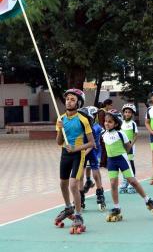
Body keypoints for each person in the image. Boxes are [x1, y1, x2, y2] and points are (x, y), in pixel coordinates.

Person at [102, 109, 153, 222]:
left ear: (116, 123)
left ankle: (148, 200)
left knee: (132, 181)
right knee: (113, 183)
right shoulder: (103, 134)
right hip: (111, 161)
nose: (106, 123)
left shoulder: (121, 133)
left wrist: (123, 155)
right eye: (105, 121)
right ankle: (116, 207)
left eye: (110, 122)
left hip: (122, 159)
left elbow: (128, 147)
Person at [54, 89, 94, 233]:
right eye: (67, 99)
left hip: (78, 155)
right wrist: (60, 129)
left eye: (72, 99)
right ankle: (67, 207)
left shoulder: (83, 120)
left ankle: (78, 214)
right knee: (62, 183)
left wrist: (76, 148)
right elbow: (59, 142)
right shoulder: (61, 119)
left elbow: (91, 143)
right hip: (65, 154)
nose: (69, 101)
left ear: (79, 102)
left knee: (73, 185)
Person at [78, 106, 106, 211]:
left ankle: (100, 194)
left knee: (95, 174)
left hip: (92, 151)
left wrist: (83, 154)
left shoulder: (94, 129)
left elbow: (91, 144)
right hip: (82, 152)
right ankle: (80, 197)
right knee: (79, 175)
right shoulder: (79, 129)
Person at [119, 103, 139, 194]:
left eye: (129, 112)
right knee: (123, 164)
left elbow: (135, 136)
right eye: (126, 112)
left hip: (130, 147)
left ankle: (133, 182)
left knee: (130, 164)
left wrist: (131, 145)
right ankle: (125, 181)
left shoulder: (133, 124)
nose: (127, 114)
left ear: (132, 114)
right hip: (121, 147)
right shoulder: (120, 123)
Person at [98, 99, 113, 168]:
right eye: (111, 105)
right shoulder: (102, 111)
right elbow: (101, 124)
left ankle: (105, 162)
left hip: (105, 131)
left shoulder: (106, 111)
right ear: (107, 105)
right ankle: (103, 163)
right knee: (104, 148)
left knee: (106, 148)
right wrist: (104, 132)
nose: (112, 106)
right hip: (102, 132)